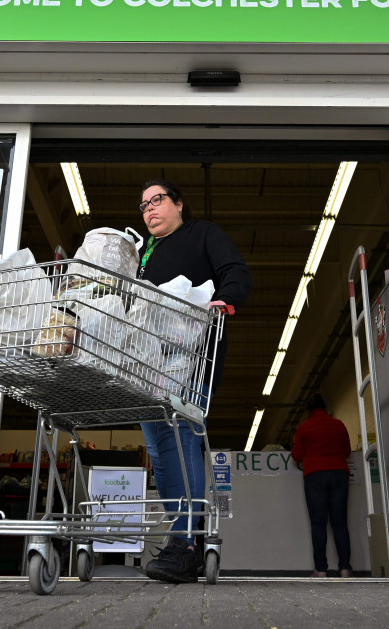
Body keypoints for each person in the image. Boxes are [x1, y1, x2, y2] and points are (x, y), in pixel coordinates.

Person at [136, 178, 251, 584]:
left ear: (179, 204)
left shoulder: (202, 233)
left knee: (182, 436)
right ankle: (179, 538)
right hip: (149, 363)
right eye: (144, 205)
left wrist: (228, 298)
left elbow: (235, 269)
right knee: (158, 447)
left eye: (157, 200)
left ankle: (186, 541)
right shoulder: (143, 254)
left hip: (193, 356)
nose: (150, 209)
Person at [291, 393, 353, 578]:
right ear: (325, 407)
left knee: (318, 524)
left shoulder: (304, 428)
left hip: (315, 476)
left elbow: (296, 455)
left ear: (308, 411)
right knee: (340, 523)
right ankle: (345, 568)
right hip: (339, 474)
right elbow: (347, 451)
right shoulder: (339, 425)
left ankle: (321, 569)